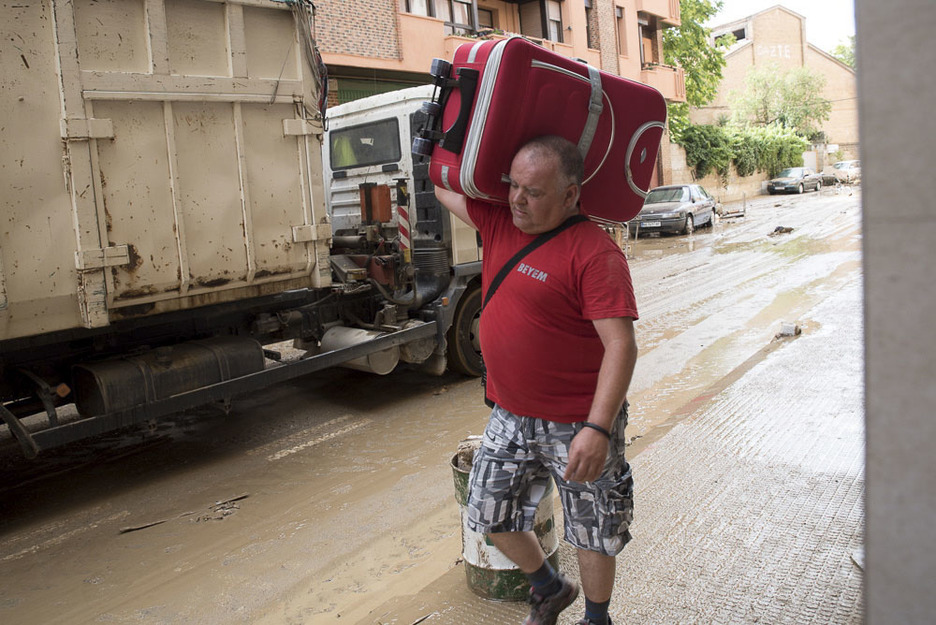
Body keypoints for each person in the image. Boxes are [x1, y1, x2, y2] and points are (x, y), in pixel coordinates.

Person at [435, 135, 638, 625]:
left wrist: (596, 427)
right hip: (511, 412)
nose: (518, 200)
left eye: (534, 192)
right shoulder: (499, 220)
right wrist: (448, 130)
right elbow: (443, 185)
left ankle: (596, 618)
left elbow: (621, 346)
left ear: (570, 195)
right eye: (513, 186)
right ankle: (549, 588)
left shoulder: (595, 253)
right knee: (487, 512)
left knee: (592, 529)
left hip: (578, 421)